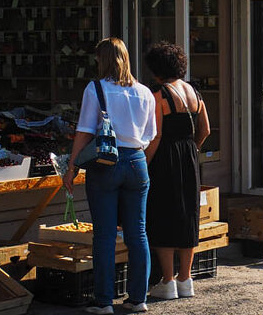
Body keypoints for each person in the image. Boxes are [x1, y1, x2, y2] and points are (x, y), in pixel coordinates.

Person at [65, 38, 156, 315]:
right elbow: (150, 134)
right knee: (137, 232)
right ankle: (138, 298)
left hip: (105, 162)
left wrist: (71, 167)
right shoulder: (145, 92)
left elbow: (84, 130)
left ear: (102, 60)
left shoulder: (95, 89)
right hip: (137, 161)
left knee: (104, 235)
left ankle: (104, 301)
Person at [143, 41, 210, 301]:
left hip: (165, 158)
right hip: (189, 157)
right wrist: (192, 148)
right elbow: (205, 129)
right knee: (188, 215)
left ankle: (168, 281)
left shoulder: (159, 94)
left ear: (157, 68)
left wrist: (144, 164)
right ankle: (186, 279)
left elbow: (156, 136)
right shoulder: (195, 92)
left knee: (164, 214)